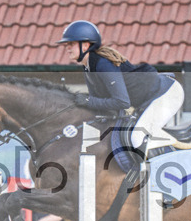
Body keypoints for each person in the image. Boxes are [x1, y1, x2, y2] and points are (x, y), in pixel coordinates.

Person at [57, 20, 183, 153]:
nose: (67, 48)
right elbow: (96, 102)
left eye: (71, 44)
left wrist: (87, 100)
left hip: (166, 94)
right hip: (148, 100)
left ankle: (161, 163)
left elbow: (122, 101)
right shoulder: (88, 67)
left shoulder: (103, 65)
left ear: (85, 45)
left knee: (137, 138)